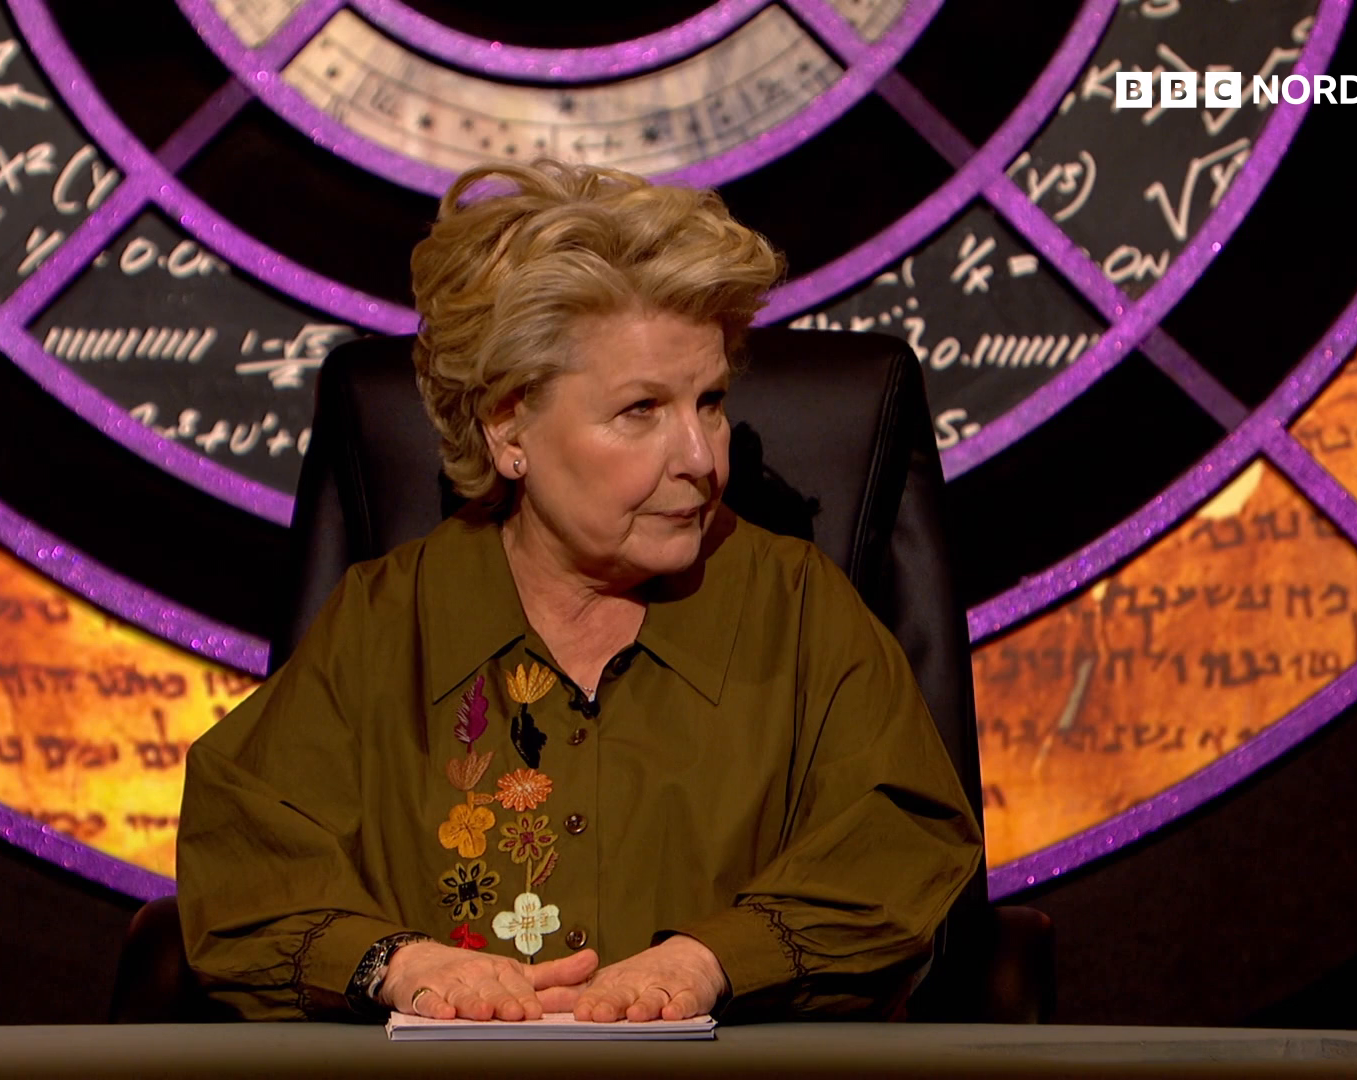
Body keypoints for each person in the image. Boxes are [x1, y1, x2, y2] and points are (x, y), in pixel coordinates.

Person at [176, 159, 981, 1023]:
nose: (701, 458)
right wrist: (397, 964)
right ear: (509, 427)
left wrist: (711, 961)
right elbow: (242, 869)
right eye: (641, 411)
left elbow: (903, 842)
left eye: (710, 402)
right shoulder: (386, 622)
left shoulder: (799, 609)